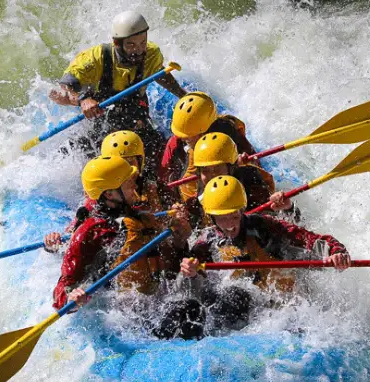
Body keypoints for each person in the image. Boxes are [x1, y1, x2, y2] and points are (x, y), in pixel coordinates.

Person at [164, 176, 350, 339]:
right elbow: (185, 291)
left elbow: (310, 238)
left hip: (280, 307)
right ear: (211, 217)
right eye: (222, 218)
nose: (229, 224)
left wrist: (336, 252)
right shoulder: (206, 243)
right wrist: (189, 274)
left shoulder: (265, 226)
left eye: (233, 216)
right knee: (218, 300)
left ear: (242, 210)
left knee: (236, 295)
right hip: (240, 311)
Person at [49, 11, 187, 177]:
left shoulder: (151, 53)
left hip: (136, 119)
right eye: (131, 45)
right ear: (117, 43)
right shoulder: (95, 58)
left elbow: (159, 73)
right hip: (102, 122)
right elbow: (63, 90)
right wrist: (83, 100)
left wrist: (182, 94)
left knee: (158, 153)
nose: (139, 50)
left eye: (143, 42)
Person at [50, 155, 190, 311]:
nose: (135, 188)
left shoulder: (141, 216)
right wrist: (71, 298)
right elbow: (63, 286)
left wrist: (180, 238)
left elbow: (168, 262)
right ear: (109, 194)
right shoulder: (88, 232)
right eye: (128, 184)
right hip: (119, 312)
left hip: (154, 298)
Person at [156, 92, 259, 204]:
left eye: (189, 135)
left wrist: (239, 165)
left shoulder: (229, 133)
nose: (184, 138)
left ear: (206, 130)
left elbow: (254, 163)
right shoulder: (176, 142)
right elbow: (163, 177)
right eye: (182, 134)